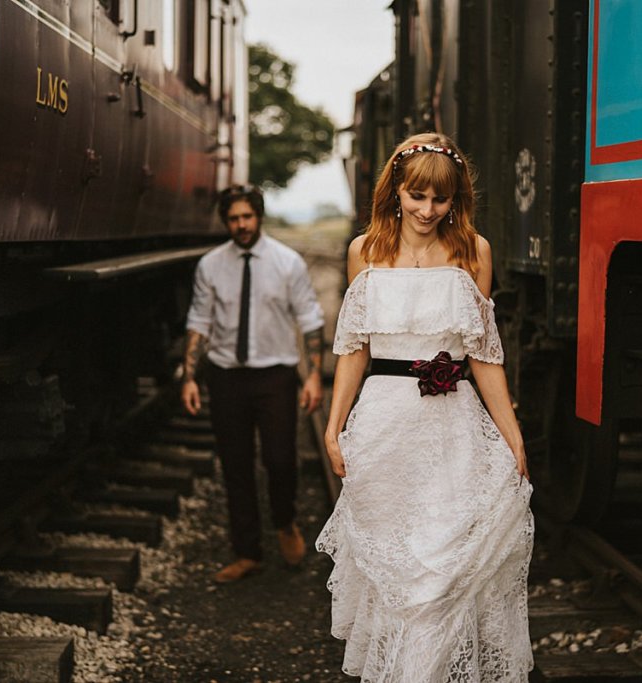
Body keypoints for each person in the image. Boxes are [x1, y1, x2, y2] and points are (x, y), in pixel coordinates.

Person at [316, 133, 534, 681]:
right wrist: (334, 427)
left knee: (444, 569)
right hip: (385, 427)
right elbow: (353, 350)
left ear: (455, 199)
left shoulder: (473, 251)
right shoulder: (364, 251)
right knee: (396, 571)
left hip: (452, 425)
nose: (427, 211)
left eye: (440, 200)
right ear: (397, 191)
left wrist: (512, 435)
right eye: (417, 196)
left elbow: (484, 356)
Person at [182, 184, 325, 584]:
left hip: (275, 376)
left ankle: (285, 522)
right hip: (225, 375)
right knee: (235, 465)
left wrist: (313, 375)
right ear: (225, 222)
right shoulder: (211, 265)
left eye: (246, 217)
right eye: (233, 219)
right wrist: (189, 377)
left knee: (280, 460)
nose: (241, 225)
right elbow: (199, 323)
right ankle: (247, 552)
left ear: (258, 215)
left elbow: (311, 321)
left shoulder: (287, 262)